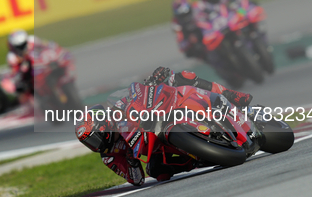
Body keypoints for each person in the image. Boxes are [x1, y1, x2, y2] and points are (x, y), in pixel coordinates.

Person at [75, 66, 252, 185]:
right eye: (89, 143)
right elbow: (136, 179)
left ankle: (230, 95)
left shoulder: (117, 109)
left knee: (181, 77)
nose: (95, 146)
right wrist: (130, 159)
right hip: (154, 148)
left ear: (103, 127)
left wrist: (151, 82)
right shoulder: (109, 157)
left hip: (156, 117)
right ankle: (198, 157)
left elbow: (135, 95)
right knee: (157, 171)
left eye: (94, 140)